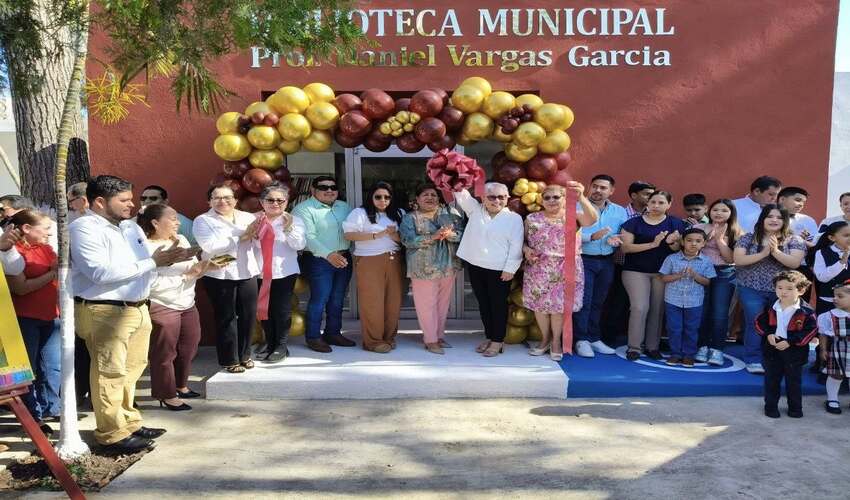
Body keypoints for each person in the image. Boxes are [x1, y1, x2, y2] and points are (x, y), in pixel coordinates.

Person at [71, 175, 193, 452]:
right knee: (109, 372)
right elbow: (100, 273)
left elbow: (143, 265)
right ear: (100, 202)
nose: (132, 205)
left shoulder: (130, 227)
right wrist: (153, 261)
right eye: (124, 200)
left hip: (138, 307)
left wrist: (167, 261)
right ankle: (111, 433)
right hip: (104, 310)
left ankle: (129, 422)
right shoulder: (84, 228)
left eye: (131, 199)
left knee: (132, 369)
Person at [137, 204, 210, 411]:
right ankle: (166, 394)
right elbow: (150, 283)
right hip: (161, 303)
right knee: (164, 351)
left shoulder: (181, 240)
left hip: (187, 301)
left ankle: (181, 385)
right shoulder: (145, 248)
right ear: (155, 223)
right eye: (173, 218)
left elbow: (193, 269)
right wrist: (186, 277)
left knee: (189, 346)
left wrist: (205, 267)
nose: (178, 223)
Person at [524, 184, 597, 361]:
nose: (551, 201)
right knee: (540, 306)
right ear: (542, 200)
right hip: (539, 268)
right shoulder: (531, 218)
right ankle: (544, 339)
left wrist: (580, 197)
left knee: (558, 307)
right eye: (547, 197)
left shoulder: (573, 216)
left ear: (564, 199)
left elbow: (592, 220)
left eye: (556, 197)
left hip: (566, 267)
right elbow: (524, 241)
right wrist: (526, 250)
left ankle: (556, 342)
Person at [193, 184, 261, 373]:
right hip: (219, 273)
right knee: (226, 317)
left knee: (248, 315)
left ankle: (245, 354)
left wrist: (252, 237)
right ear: (210, 201)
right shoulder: (203, 221)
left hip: (247, 271)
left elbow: (256, 241)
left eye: (227, 197)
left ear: (235, 200)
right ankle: (229, 359)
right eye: (217, 198)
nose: (223, 201)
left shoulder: (247, 217)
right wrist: (241, 237)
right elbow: (210, 247)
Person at [733, 205, 806, 374]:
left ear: (785, 221)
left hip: (782, 291)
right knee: (755, 322)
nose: (774, 220)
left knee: (780, 323)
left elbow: (794, 263)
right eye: (770, 216)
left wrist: (775, 251)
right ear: (762, 219)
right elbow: (739, 260)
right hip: (751, 287)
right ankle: (753, 359)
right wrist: (764, 253)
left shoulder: (794, 240)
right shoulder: (748, 238)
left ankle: (776, 358)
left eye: (779, 217)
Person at [455, 182, 524, 357]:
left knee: (498, 306)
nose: (496, 200)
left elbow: (516, 245)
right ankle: (490, 336)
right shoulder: (475, 210)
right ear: (483, 198)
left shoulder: (514, 218)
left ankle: (498, 341)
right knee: (484, 305)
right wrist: (454, 176)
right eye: (492, 196)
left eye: (501, 197)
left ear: (507, 198)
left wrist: (510, 269)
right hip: (476, 266)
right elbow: (461, 195)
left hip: (499, 269)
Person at [5, 210, 60, 424]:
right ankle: (32, 414)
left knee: (53, 366)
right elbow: (21, 288)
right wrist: (51, 274)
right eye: (45, 228)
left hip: (51, 316)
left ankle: (53, 408)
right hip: (24, 317)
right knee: (29, 368)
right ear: (26, 228)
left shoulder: (47, 249)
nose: (49, 233)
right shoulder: (14, 252)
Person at [620, 190, 686, 361]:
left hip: (663, 273)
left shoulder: (676, 223)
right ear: (647, 203)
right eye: (653, 202)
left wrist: (674, 242)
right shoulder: (633, 223)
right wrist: (653, 244)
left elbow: (678, 250)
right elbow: (625, 248)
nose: (656, 206)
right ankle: (634, 347)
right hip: (635, 271)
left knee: (657, 309)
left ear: (669, 205)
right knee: (639, 307)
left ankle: (652, 346)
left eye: (661, 203)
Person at [291, 176, 355, 353]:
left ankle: (333, 333)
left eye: (333, 187)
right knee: (320, 299)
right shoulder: (303, 209)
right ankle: (313, 336)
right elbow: (308, 238)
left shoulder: (344, 207)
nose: (329, 190)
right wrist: (329, 255)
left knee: (337, 298)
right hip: (318, 260)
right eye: (323, 187)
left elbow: (354, 229)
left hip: (343, 258)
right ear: (313, 190)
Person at [399, 183, 465, 355]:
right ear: (417, 200)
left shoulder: (451, 215)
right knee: (426, 305)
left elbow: (463, 235)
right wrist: (433, 236)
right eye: (425, 195)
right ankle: (430, 339)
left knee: (443, 304)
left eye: (434, 195)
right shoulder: (410, 218)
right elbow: (407, 240)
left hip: (448, 265)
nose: (430, 198)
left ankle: (439, 336)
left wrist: (451, 235)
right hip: (423, 267)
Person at [343, 181, 405, 353]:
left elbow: (403, 240)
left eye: (387, 197)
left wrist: (393, 235)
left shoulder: (398, 213)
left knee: (393, 301)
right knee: (372, 302)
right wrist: (376, 235)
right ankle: (373, 341)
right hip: (369, 260)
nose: (383, 200)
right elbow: (348, 234)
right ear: (371, 197)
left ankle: (389, 337)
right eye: (378, 196)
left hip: (394, 259)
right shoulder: (360, 213)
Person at [573, 174, 627, 358]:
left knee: (598, 302)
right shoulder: (576, 206)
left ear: (611, 191)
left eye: (603, 187)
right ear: (589, 187)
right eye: (595, 186)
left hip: (607, 262)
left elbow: (623, 235)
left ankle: (594, 338)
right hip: (583, 259)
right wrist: (590, 237)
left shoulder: (620, 211)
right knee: (584, 302)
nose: (598, 190)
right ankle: (581, 340)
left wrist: (616, 240)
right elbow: (564, 234)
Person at [253, 183, 306, 362]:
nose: (275, 203)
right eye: (270, 200)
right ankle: (269, 341)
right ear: (262, 202)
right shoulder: (254, 220)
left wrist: (288, 228)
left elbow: (299, 245)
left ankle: (281, 346)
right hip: (259, 271)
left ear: (286, 202)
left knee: (281, 310)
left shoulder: (294, 220)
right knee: (264, 310)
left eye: (279, 200)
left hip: (284, 272)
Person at [755, 270, 817, 418]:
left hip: (794, 352)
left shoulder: (806, 311)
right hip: (772, 350)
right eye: (779, 287)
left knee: (794, 382)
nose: (783, 292)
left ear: (801, 290)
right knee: (771, 380)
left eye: (789, 288)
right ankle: (770, 407)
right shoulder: (770, 306)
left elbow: (811, 331)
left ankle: (795, 408)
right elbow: (759, 322)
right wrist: (767, 334)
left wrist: (791, 342)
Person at [694, 199, 744, 365]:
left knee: (720, 313)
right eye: (716, 209)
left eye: (724, 210)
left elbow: (731, 258)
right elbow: (690, 250)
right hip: (699, 272)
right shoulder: (699, 228)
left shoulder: (736, 231)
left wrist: (720, 240)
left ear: (731, 213)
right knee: (701, 311)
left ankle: (716, 349)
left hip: (724, 273)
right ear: (710, 211)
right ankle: (701, 346)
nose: (719, 213)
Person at [659, 228, 716, 367]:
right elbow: (663, 277)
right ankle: (675, 354)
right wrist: (678, 275)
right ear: (682, 242)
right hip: (673, 300)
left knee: (691, 328)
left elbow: (708, 281)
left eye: (698, 241)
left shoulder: (706, 261)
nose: (693, 244)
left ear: (704, 243)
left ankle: (689, 355)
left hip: (695, 302)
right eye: (689, 240)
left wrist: (695, 276)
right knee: (674, 328)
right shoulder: (671, 258)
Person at [818, 279, 850, 414]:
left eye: (840, 296)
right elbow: (823, 334)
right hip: (838, 349)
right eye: (835, 296)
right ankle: (832, 399)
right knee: (836, 375)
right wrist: (823, 349)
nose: (835, 299)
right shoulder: (830, 316)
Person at [811, 221, 850, 314]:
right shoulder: (821, 253)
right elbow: (822, 277)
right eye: (846, 235)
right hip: (828, 301)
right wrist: (841, 263)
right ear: (832, 238)